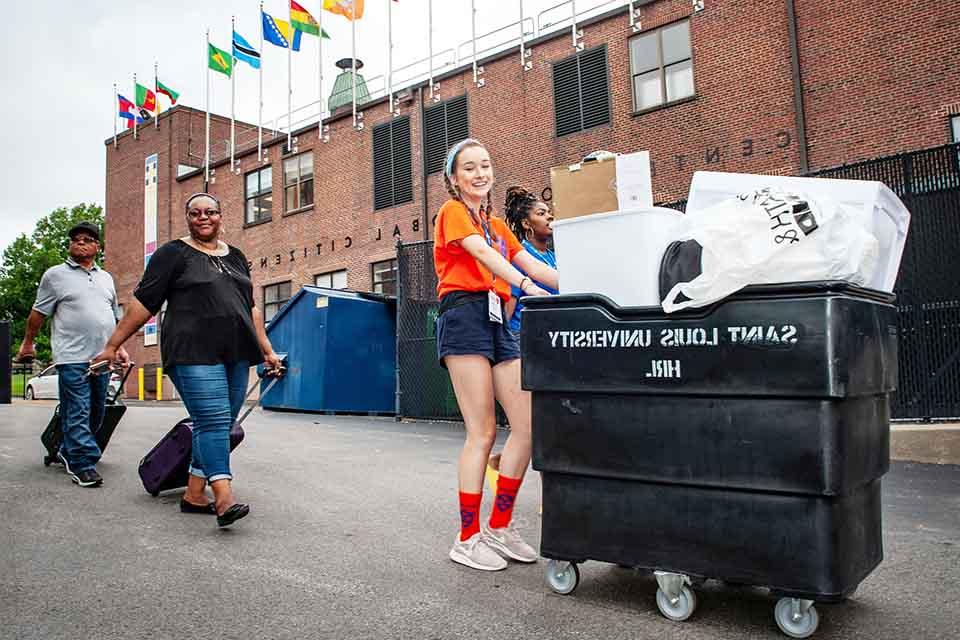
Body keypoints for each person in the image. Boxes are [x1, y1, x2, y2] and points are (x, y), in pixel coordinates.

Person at [92, 193, 282, 528]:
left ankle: (194, 494)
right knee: (212, 420)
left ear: (221, 216)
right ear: (187, 218)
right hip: (192, 349)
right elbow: (143, 303)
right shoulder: (172, 254)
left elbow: (250, 307)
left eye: (210, 212)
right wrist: (113, 345)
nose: (203, 218)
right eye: (195, 213)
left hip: (237, 350)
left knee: (223, 424)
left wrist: (266, 349)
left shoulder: (236, 256)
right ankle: (223, 496)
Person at [434, 139, 559, 571]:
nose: (479, 173)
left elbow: (533, 264)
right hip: (464, 315)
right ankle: (467, 537)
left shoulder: (495, 224)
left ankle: (499, 526)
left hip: (497, 321)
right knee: (483, 430)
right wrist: (526, 288)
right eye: (469, 168)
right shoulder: (453, 213)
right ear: (454, 178)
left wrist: (585, 278)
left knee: (527, 423)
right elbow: (485, 256)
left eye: (485, 165)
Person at [17, 221, 130, 487]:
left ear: (97, 247)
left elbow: (113, 317)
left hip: (101, 357)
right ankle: (81, 462)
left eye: (87, 239)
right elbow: (37, 314)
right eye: (76, 239)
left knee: (97, 412)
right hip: (71, 356)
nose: (80, 242)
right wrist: (28, 343)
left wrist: (120, 347)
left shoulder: (106, 278)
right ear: (70, 245)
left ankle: (69, 449)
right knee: (78, 409)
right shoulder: (54, 276)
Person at [503, 186, 558, 334]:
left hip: (552, 332)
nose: (549, 217)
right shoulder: (520, 256)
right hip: (524, 335)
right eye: (541, 213)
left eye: (549, 212)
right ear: (526, 223)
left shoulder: (553, 256)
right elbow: (509, 305)